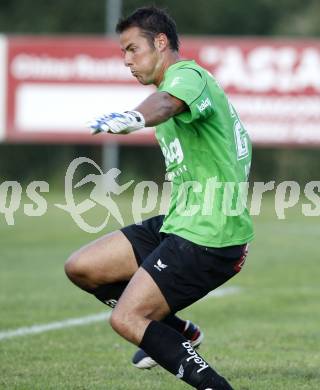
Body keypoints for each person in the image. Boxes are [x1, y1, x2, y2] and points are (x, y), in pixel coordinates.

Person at [64, 6, 254, 389]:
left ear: (161, 42)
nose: (127, 61)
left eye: (133, 49)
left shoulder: (188, 77)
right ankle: (178, 331)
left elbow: (167, 104)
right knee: (83, 267)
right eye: (123, 53)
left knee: (127, 320)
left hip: (209, 234)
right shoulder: (179, 87)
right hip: (181, 222)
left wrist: (133, 118)